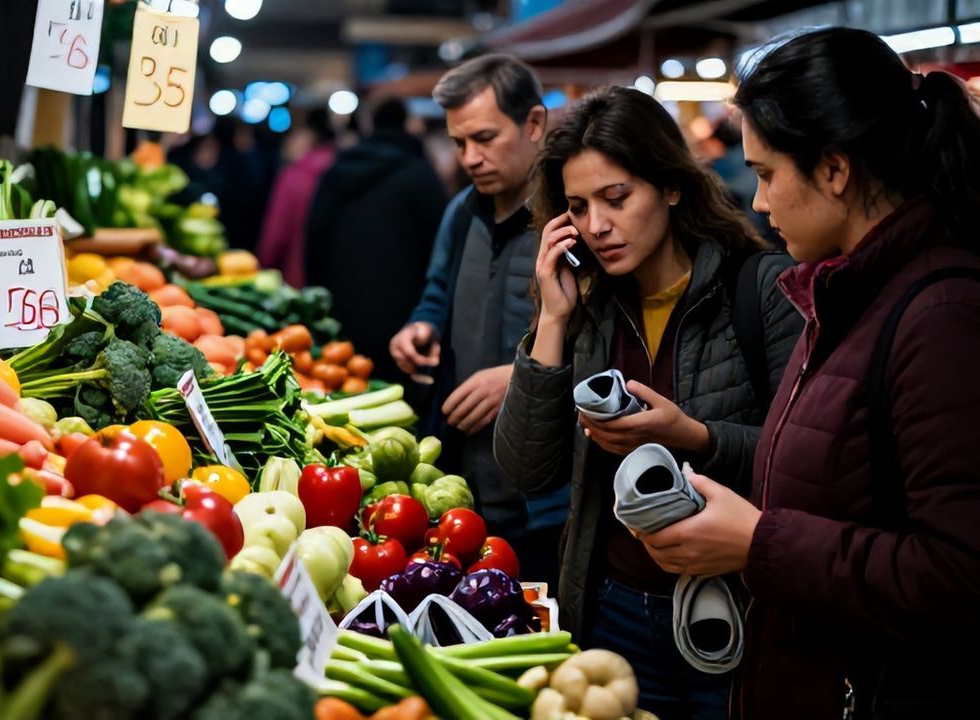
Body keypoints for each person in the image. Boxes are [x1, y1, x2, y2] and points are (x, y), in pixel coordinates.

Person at [633, 27, 980, 719]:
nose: (758, 203)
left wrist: (758, 543)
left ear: (833, 170)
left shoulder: (943, 313)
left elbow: (959, 575)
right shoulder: (844, 292)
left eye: (766, 174)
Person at [491, 86, 803, 718]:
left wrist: (694, 435)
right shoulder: (588, 306)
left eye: (616, 197)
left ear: (670, 185)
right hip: (613, 609)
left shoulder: (761, 288)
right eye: (577, 207)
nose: (597, 226)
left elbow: (798, 463)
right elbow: (526, 467)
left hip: (733, 614)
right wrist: (551, 320)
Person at [388, 55, 565, 587]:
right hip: (465, 484)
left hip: (547, 503)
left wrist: (519, 377)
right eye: (459, 142)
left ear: (534, 124)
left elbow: (613, 349)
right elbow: (437, 292)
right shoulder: (461, 212)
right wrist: (419, 328)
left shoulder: (573, 219)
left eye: (484, 138)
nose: (470, 157)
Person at [305, 99, 446, 381]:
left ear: (371, 124)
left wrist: (319, 296)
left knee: (345, 384)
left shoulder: (339, 169)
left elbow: (314, 237)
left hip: (343, 303)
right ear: (407, 124)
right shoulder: (421, 174)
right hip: (404, 314)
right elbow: (439, 248)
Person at [259, 108, 337, 288]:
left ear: (307, 137)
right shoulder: (342, 169)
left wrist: (263, 265)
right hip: (337, 278)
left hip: (297, 278)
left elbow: (276, 234)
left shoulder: (295, 175)